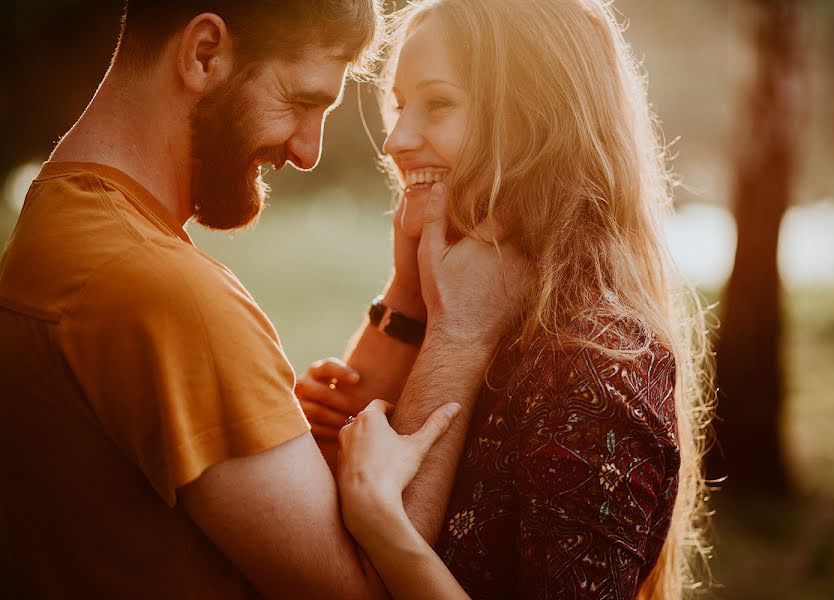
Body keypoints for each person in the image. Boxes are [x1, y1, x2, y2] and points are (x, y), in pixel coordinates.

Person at [0, 1, 525, 598]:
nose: (307, 152)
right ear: (203, 54)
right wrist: (462, 333)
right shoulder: (162, 293)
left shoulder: (56, 225)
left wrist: (404, 299)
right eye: (302, 102)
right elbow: (368, 587)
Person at [297, 0, 715, 598]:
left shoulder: (600, 369)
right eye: (399, 104)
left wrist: (388, 530)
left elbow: (370, 556)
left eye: (437, 104)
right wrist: (407, 302)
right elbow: (324, 556)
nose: (395, 140)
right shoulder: (454, 306)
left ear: (540, 125)